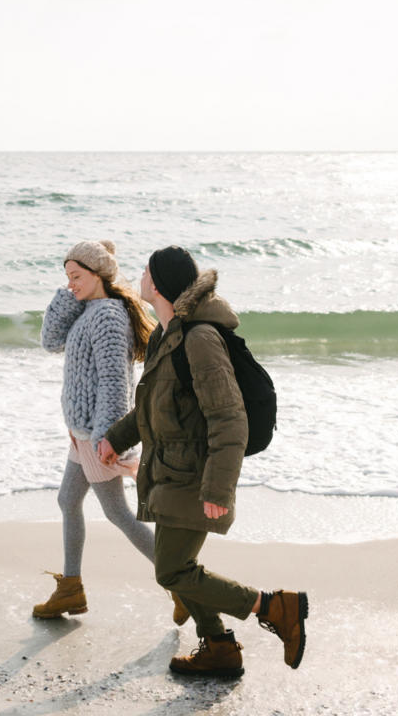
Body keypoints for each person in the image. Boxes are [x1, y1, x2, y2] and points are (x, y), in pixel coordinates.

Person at [98, 246, 307, 678]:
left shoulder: (199, 338)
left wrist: (218, 489)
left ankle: (274, 606)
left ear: (157, 284)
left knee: (172, 569)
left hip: (194, 474)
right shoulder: (166, 333)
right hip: (170, 470)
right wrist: (116, 439)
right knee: (176, 569)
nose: (139, 277)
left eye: (145, 271)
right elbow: (152, 407)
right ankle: (219, 647)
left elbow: (229, 417)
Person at [33, 239, 164, 620]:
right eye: (67, 277)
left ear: (97, 275)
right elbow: (50, 341)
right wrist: (71, 295)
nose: (70, 283)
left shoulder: (107, 316)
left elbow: (113, 382)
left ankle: (179, 580)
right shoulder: (87, 309)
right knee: (69, 501)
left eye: (76, 277)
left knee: (118, 514)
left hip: (97, 435)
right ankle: (70, 589)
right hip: (82, 434)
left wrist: (110, 438)